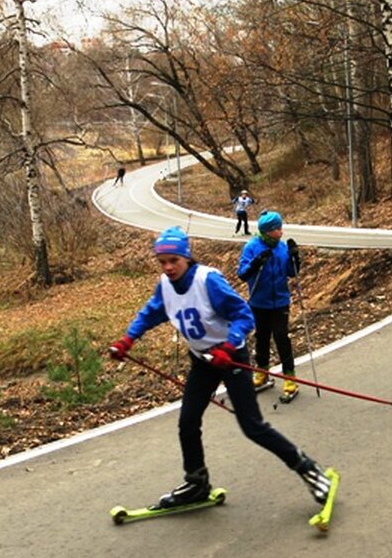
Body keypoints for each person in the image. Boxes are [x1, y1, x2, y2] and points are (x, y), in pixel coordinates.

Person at [107, 226, 332, 509]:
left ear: (186, 257)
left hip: (230, 357)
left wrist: (229, 346)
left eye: (173, 260)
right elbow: (151, 312)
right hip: (202, 361)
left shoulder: (207, 281)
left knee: (253, 427)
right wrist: (128, 339)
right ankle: (196, 482)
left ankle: (309, 470)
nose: (167, 267)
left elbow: (244, 315)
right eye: (162, 261)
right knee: (187, 422)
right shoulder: (165, 285)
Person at [237, 210, 302, 402]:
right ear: (268, 230)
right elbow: (242, 273)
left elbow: (292, 273)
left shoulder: (281, 248)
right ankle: (262, 372)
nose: (281, 231)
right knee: (262, 338)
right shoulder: (251, 247)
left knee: (282, 338)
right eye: (277, 228)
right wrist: (256, 263)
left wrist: (295, 257)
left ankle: (290, 378)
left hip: (280, 302)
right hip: (259, 302)